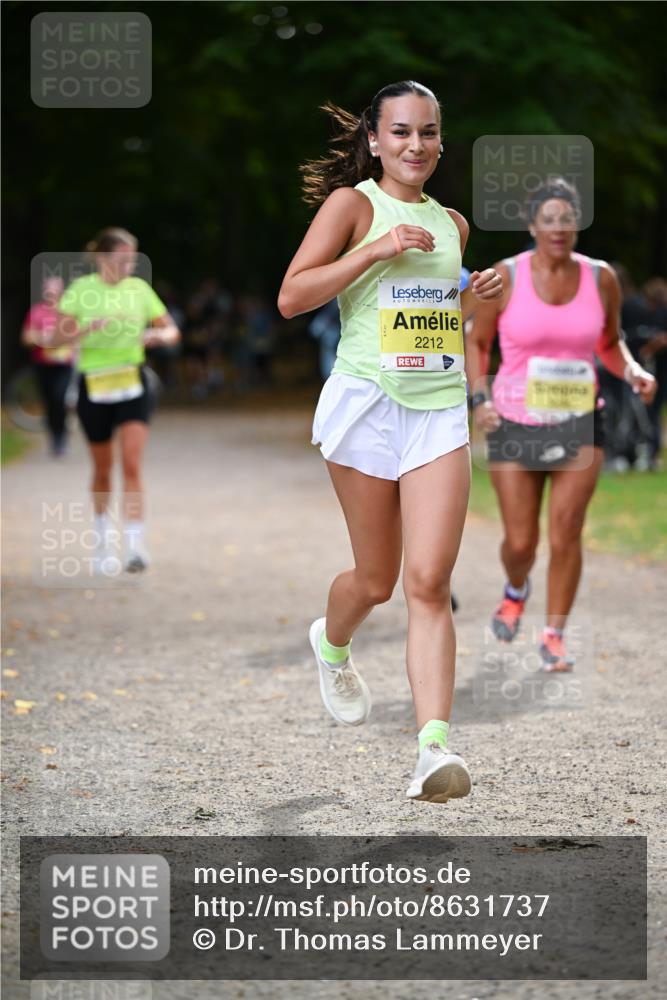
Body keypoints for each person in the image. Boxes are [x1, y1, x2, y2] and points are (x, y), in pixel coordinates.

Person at [278, 81, 503, 803]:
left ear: (441, 139)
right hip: (367, 406)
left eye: (428, 132)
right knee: (374, 582)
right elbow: (293, 295)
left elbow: (437, 317)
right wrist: (374, 249)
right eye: (401, 132)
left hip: (436, 411)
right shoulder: (351, 206)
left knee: (428, 582)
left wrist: (475, 298)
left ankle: (432, 749)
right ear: (374, 139)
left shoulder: (454, 225)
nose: (416, 145)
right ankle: (331, 642)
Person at [466, 178, 656, 671]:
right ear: (533, 226)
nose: (559, 228)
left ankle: (554, 634)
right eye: (548, 219)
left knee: (567, 529)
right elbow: (477, 342)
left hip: (579, 419)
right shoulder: (505, 277)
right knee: (521, 542)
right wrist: (479, 397)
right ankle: (515, 588)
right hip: (515, 420)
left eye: (567, 219)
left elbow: (609, 343)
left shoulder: (601, 279)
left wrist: (633, 371)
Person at [44, 227, 180, 574]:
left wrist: (157, 334)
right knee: (103, 470)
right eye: (121, 260)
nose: (128, 267)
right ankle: (102, 543)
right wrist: (85, 331)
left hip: (133, 381)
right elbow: (53, 340)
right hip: (95, 385)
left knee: (132, 464)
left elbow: (171, 329)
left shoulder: (138, 289)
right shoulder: (81, 291)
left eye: (132, 260)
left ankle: (135, 545)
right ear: (103, 259)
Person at [20, 276, 74, 455]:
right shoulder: (36, 312)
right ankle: (54, 436)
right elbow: (26, 338)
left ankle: (61, 436)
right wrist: (42, 339)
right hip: (42, 364)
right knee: (49, 401)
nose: (51, 293)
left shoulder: (69, 311)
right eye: (48, 289)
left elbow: (78, 335)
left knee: (59, 398)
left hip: (64, 364)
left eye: (54, 289)